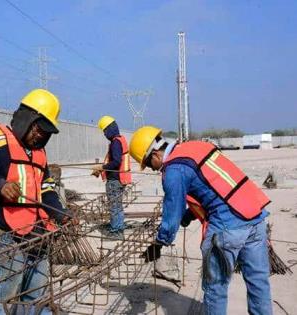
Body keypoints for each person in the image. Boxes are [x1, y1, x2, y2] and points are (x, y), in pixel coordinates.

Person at [129, 125, 272, 315]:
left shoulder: (173, 169)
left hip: (227, 227)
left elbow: (172, 213)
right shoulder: (195, 147)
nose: (152, 169)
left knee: (215, 288)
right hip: (255, 216)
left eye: (148, 164)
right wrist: (190, 214)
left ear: (154, 154)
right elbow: (214, 185)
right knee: (259, 283)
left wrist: (159, 243)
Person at [0, 89, 71, 315]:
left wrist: (60, 213)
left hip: (37, 232)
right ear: (26, 119)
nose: (41, 136)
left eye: (46, 133)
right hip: (5, 234)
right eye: (39, 129)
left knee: (36, 295)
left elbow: (46, 189)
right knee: (3, 298)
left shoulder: (40, 153)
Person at [91, 116, 132, 238]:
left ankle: (116, 231)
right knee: (117, 205)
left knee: (114, 205)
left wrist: (102, 168)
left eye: (104, 131)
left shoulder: (115, 143)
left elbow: (116, 162)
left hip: (115, 180)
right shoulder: (121, 140)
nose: (104, 134)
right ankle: (118, 226)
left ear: (109, 129)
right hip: (121, 178)